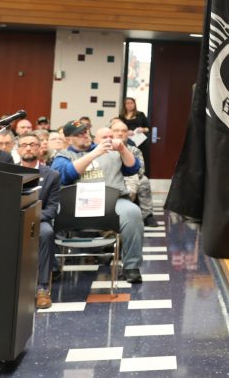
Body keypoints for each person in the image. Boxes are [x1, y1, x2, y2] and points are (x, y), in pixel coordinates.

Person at [51, 121, 144, 284]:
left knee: (133, 213)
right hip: (74, 207)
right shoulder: (63, 156)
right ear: (68, 139)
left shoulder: (110, 151)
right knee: (47, 217)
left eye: (86, 131)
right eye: (79, 134)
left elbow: (133, 168)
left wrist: (123, 149)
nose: (84, 135)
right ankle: (52, 268)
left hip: (112, 204)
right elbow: (65, 176)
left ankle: (131, 267)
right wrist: (94, 153)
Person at [15, 134, 60, 309]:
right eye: (24, 145)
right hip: (12, 219)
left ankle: (42, 289)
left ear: (40, 148)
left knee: (47, 233)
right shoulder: (8, 172)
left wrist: (30, 216)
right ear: (17, 149)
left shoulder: (52, 175)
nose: (28, 148)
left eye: (32, 144)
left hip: (38, 220)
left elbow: (52, 209)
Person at [110, 118, 158, 226]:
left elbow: (140, 171)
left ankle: (147, 215)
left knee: (144, 180)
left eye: (123, 131)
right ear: (110, 132)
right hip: (108, 179)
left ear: (127, 134)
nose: (120, 133)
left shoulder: (134, 150)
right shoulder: (103, 148)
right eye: (116, 130)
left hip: (129, 178)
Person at [118, 97, 150, 169]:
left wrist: (143, 129)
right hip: (127, 141)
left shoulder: (140, 114)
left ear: (134, 104)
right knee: (128, 157)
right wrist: (126, 131)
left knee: (143, 159)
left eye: (131, 103)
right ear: (124, 105)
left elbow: (148, 128)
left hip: (141, 142)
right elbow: (118, 128)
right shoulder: (121, 116)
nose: (129, 105)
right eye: (127, 103)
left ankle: (144, 175)